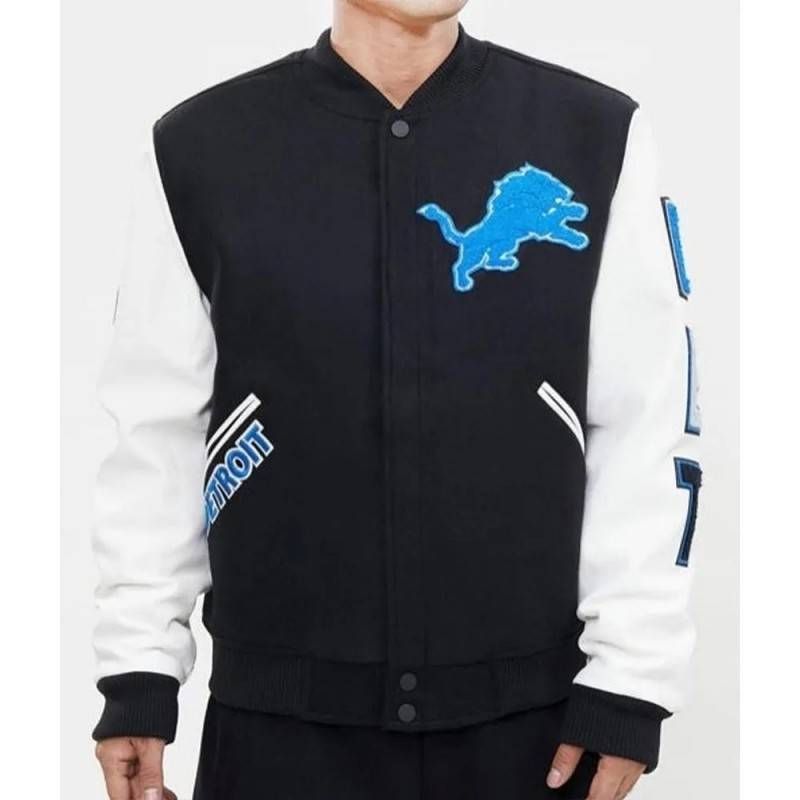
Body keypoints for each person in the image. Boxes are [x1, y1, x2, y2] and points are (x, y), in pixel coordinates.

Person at [91, 1, 702, 798]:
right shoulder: (200, 148)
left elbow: (646, 425)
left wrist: (631, 682)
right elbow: (157, 434)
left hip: (528, 737)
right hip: (278, 737)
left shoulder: (593, 134)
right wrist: (138, 669)